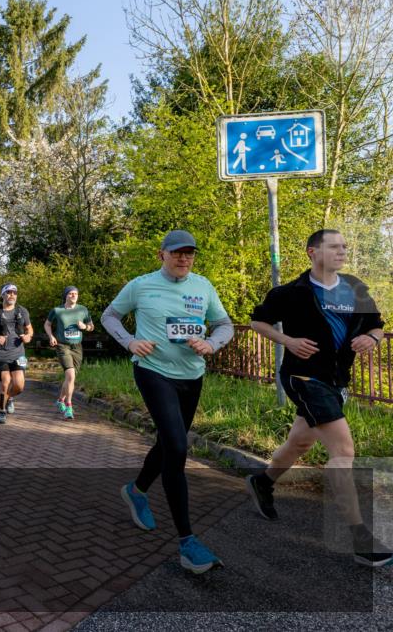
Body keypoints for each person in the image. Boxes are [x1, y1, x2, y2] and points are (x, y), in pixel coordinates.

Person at [247, 229, 391, 567]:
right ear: (312, 252)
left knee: (300, 442)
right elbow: (257, 322)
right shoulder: (290, 292)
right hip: (303, 377)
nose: (342, 251)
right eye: (334, 246)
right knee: (343, 451)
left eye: (345, 246)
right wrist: (288, 341)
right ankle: (360, 538)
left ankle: (262, 482)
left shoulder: (354, 289)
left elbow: (377, 325)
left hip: (336, 380)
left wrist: (372, 339)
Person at [101, 230, 234, 574]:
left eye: (189, 253)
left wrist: (212, 344)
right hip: (153, 371)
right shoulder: (141, 285)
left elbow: (224, 324)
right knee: (177, 447)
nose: (183, 258)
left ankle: (136, 490)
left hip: (192, 376)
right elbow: (109, 316)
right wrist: (130, 342)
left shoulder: (203, 286)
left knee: (167, 443)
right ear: (162, 255)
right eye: (176, 253)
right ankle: (188, 542)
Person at [0, 283, 32, 425]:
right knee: (5, 382)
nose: (12, 295)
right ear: (2, 295)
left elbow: (30, 329)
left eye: (14, 293)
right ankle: (2, 411)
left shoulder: (22, 311)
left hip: (18, 353)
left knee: (19, 386)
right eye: (9, 292)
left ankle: (7, 397)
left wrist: (28, 337)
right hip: (1, 353)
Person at [45, 286, 94, 420]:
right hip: (62, 345)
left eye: (75, 294)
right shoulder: (57, 310)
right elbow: (47, 324)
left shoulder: (83, 310)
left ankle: (60, 400)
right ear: (65, 296)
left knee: (70, 378)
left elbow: (91, 326)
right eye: (70, 293)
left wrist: (85, 327)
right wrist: (51, 336)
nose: (73, 295)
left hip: (77, 347)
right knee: (70, 375)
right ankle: (69, 406)